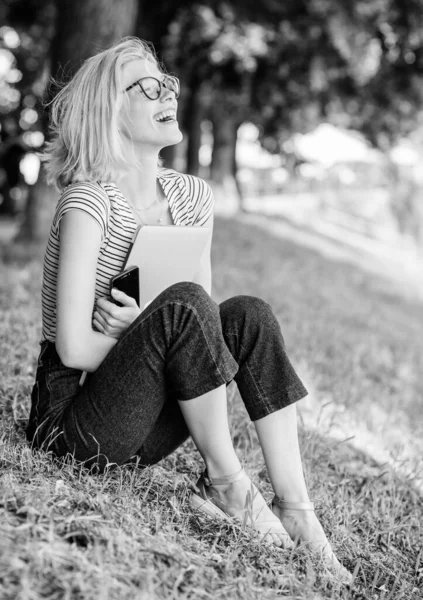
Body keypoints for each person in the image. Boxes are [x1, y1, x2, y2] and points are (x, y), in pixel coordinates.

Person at [26, 37, 351, 583]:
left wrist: (148, 332)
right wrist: (150, 338)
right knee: (184, 309)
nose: (167, 92)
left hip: (146, 422)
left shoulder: (192, 197)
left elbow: (208, 332)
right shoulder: (88, 202)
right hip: (77, 419)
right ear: (109, 110)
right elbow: (74, 346)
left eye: (167, 83)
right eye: (146, 86)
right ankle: (226, 482)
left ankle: (297, 509)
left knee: (247, 314)